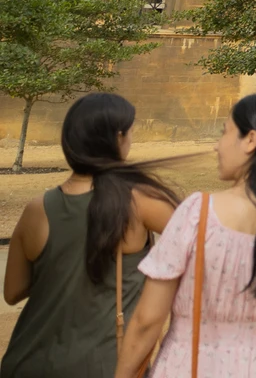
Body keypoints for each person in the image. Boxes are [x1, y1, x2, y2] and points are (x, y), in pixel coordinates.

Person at [113, 90, 256, 378]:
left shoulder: (197, 214)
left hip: (193, 365)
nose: (217, 146)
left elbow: (147, 320)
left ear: (251, 140)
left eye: (225, 132)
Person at [2, 94, 178, 378]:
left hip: (27, 363)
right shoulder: (138, 200)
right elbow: (203, 245)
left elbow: (12, 292)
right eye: (131, 132)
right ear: (118, 138)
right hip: (105, 366)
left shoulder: (37, 209)